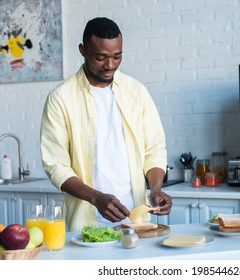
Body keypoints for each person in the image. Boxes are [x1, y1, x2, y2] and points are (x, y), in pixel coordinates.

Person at [40, 17, 172, 231]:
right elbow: (56, 165)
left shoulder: (136, 92)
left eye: (117, 56)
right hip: (85, 224)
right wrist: (96, 198)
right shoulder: (61, 98)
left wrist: (155, 189)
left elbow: (154, 149)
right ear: (83, 50)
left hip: (136, 222)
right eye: (100, 57)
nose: (110, 65)